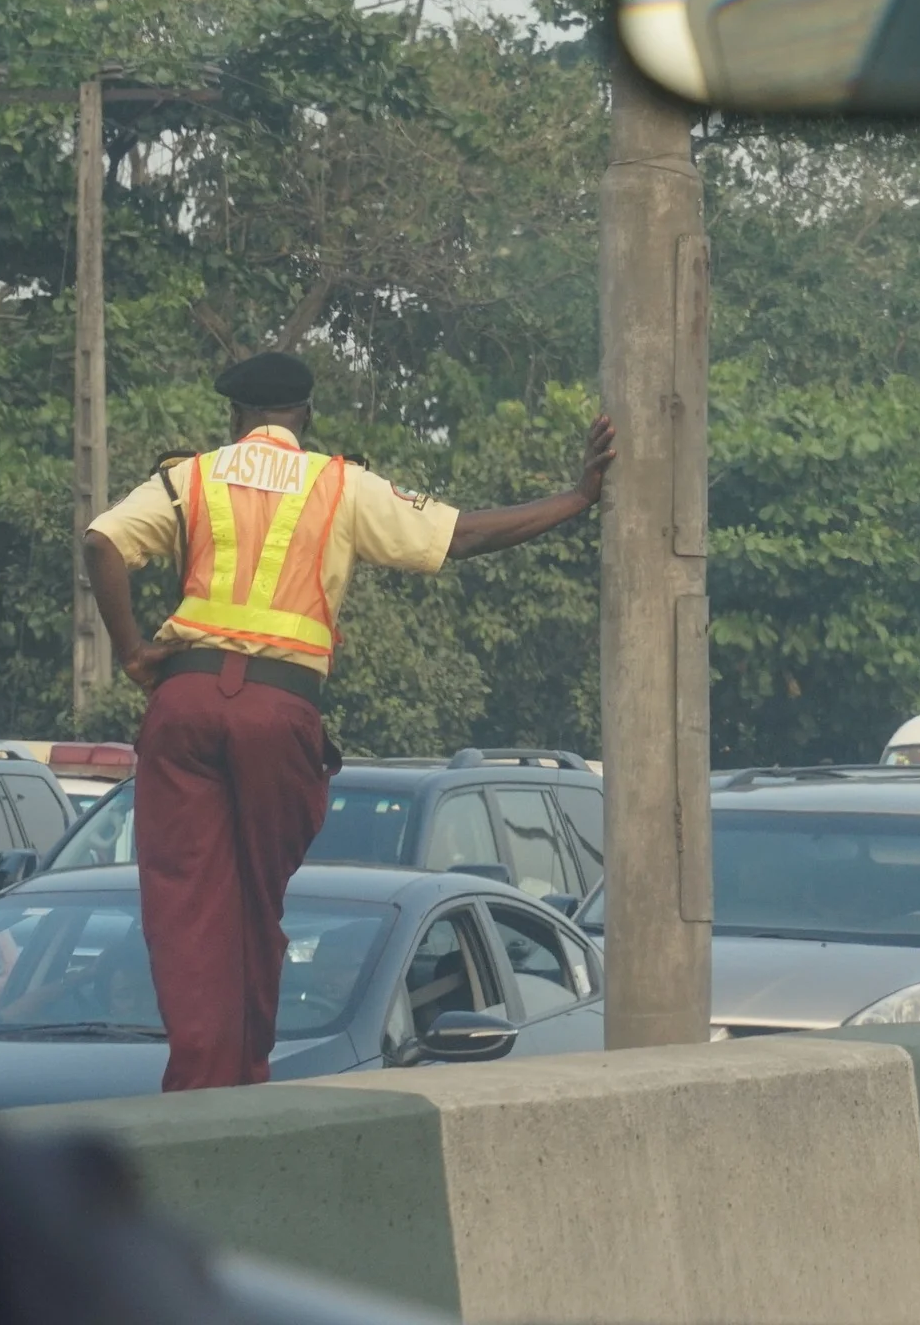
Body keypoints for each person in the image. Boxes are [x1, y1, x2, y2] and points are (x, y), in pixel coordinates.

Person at [82, 351, 613, 1091]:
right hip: (280, 710)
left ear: (234, 420)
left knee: (186, 905)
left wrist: (133, 650)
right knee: (256, 906)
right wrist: (577, 497)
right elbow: (463, 535)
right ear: (303, 417)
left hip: (187, 703)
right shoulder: (339, 483)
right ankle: (242, 1080)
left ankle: (198, 1084)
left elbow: (102, 541)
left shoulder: (193, 475)